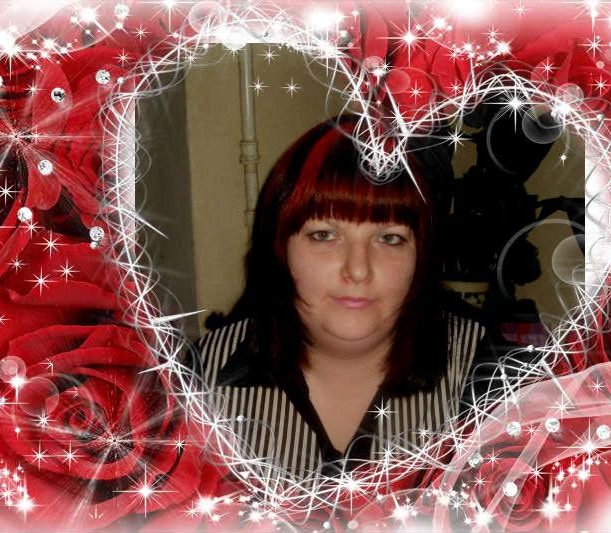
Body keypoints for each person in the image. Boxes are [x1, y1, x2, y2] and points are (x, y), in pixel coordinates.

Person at [193, 116, 486, 479]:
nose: (358, 270)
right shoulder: (196, 382)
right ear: (279, 248)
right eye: (324, 235)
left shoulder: (491, 379)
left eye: (389, 238)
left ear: (420, 257)